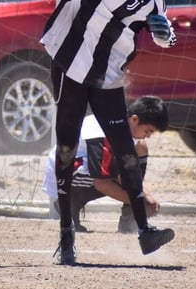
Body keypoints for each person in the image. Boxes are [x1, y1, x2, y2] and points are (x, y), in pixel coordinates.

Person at [0, 0, 176, 265]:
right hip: (69, 67)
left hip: (107, 78)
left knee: (126, 148)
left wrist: (164, 33)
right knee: (66, 145)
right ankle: (66, 237)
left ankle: (145, 232)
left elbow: (165, 38)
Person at [42, 95, 169, 234]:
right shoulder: (105, 132)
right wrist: (140, 203)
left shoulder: (125, 127)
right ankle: (70, 203)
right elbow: (102, 182)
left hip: (85, 168)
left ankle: (130, 217)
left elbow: (129, 175)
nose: (148, 136)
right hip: (63, 172)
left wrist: (146, 195)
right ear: (134, 119)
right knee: (113, 175)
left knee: (140, 148)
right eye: (147, 131)